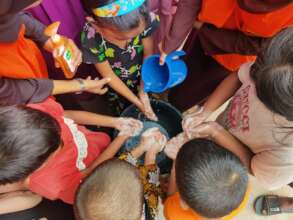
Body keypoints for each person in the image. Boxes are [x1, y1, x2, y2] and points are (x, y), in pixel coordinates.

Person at [182, 27, 293, 215]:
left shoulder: (287, 155)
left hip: (246, 164)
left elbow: (253, 167)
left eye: (260, 93)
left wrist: (216, 132)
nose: (253, 88)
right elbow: (237, 78)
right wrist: (205, 111)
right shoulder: (278, 66)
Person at [0, 98, 143, 204]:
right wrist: (123, 136)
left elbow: (66, 115)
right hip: (102, 169)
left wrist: (115, 122)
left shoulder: (33, 118)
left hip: (100, 144)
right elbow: (95, 172)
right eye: (57, 147)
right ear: (37, 166)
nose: (63, 140)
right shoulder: (51, 184)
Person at [159, 0, 293, 111]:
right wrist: (173, 41)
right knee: (184, 67)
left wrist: (205, 29)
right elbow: (191, 3)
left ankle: (175, 107)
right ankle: (169, 94)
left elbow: (260, 45)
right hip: (202, 29)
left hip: (233, 55)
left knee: (191, 93)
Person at [80, 0, 159, 119]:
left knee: (147, 96)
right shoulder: (92, 37)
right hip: (116, 82)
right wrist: (137, 102)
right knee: (121, 106)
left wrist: (143, 89)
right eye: (121, 38)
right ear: (95, 24)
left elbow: (147, 55)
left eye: (136, 35)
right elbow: (109, 75)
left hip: (142, 72)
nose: (129, 42)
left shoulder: (142, 18)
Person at [75, 127, 167, 220]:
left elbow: (116, 169)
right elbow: (151, 187)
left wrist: (142, 147)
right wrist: (151, 154)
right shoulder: (151, 214)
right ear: (141, 216)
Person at [164, 138, 249, 220]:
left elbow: (171, 196)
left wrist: (174, 164)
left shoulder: (174, 215)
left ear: (183, 203)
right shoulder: (239, 188)